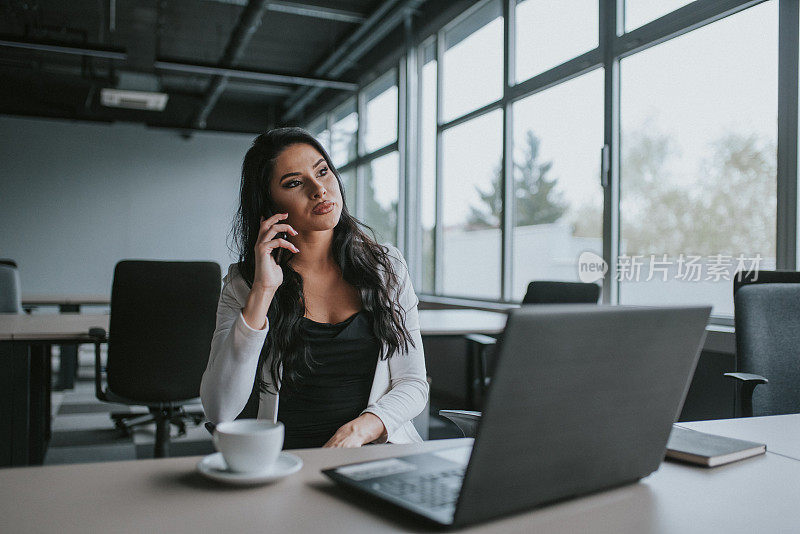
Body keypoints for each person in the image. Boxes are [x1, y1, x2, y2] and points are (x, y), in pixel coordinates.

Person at [200, 127, 428, 448]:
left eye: (323, 172)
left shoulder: (387, 266)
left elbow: (412, 382)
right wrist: (263, 291)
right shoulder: (244, 283)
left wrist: (362, 429)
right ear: (269, 203)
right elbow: (219, 409)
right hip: (287, 461)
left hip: (369, 454)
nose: (319, 189)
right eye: (294, 183)